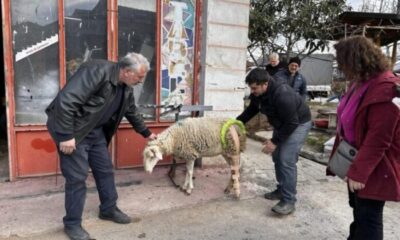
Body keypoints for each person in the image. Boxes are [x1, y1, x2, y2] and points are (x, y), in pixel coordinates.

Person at [46, 52, 157, 240]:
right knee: (77, 178)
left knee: (105, 170)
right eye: (139, 76)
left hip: (95, 132)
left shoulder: (126, 87)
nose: (141, 80)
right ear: (127, 71)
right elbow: (66, 101)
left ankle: (108, 209)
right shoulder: (96, 71)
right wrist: (66, 136)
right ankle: (72, 224)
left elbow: (131, 111)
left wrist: (147, 133)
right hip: (74, 131)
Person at [327, 36, 400, 240]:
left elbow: (379, 139)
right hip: (355, 158)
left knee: (369, 216)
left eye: (343, 62)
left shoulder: (386, 88)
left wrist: (359, 172)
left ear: (356, 60)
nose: (341, 68)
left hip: (373, 166)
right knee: (358, 210)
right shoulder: (361, 82)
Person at [237, 68, 311, 215]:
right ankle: (281, 190)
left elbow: (292, 122)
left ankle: (289, 200)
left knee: (286, 159)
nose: (252, 91)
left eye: (255, 88)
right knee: (277, 156)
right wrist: (236, 123)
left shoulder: (282, 94)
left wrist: (274, 141)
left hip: (298, 124)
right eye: (251, 88)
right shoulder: (259, 93)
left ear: (265, 84)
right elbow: (252, 110)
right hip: (282, 123)